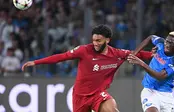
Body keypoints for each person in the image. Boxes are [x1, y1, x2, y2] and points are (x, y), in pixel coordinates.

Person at [22, 24, 153, 112]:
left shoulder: (117, 54)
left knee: (112, 109)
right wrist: (36, 62)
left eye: (99, 41)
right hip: (80, 97)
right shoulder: (84, 50)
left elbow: (137, 53)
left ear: (107, 40)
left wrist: (152, 54)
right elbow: (61, 57)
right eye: (94, 40)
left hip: (98, 94)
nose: (95, 43)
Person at [127, 31, 174, 112]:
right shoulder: (160, 43)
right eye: (167, 41)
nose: (167, 44)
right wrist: (135, 53)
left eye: (171, 43)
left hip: (166, 95)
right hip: (150, 90)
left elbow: (160, 76)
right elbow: (150, 37)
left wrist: (141, 63)